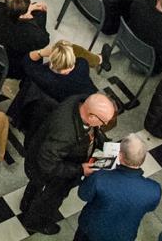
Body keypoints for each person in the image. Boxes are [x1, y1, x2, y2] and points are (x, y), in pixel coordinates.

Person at [18, 93, 115, 235]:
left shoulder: (80, 101)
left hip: (41, 162)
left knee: (35, 188)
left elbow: (93, 131)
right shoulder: (64, 133)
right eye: (104, 121)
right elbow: (47, 164)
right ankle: (34, 223)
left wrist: (105, 144)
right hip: (50, 175)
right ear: (91, 116)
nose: (104, 125)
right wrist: (80, 170)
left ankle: (26, 204)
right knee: (48, 201)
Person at [74, 134, 161, 241]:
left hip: (90, 231)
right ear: (143, 158)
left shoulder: (100, 177)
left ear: (120, 156)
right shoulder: (154, 189)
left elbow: (83, 195)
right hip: (123, 236)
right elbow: (150, 208)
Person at [22, 39, 97, 102]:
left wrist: (42, 52)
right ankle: (100, 59)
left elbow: (27, 61)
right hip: (86, 98)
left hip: (61, 102)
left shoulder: (45, 77)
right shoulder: (83, 64)